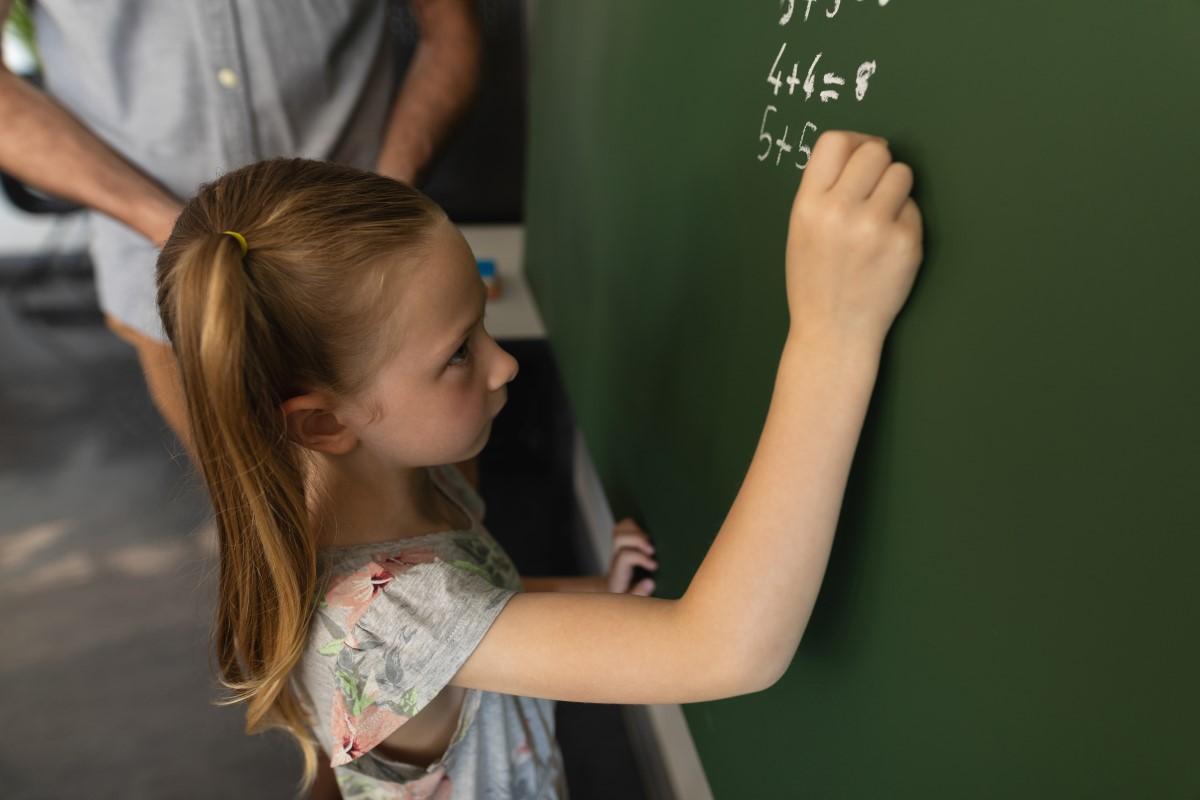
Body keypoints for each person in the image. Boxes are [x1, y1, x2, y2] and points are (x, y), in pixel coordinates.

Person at [154, 129, 922, 798]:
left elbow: (468, 609)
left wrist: (587, 596)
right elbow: (725, 650)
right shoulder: (380, 623)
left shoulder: (383, 476)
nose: (503, 365)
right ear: (324, 420)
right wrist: (834, 332)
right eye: (458, 353)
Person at [0, 0, 481, 465]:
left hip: (378, 274)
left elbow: (450, 30)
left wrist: (379, 205)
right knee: (260, 510)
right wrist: (171, 229)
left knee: (435, 498)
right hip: (179, 277)